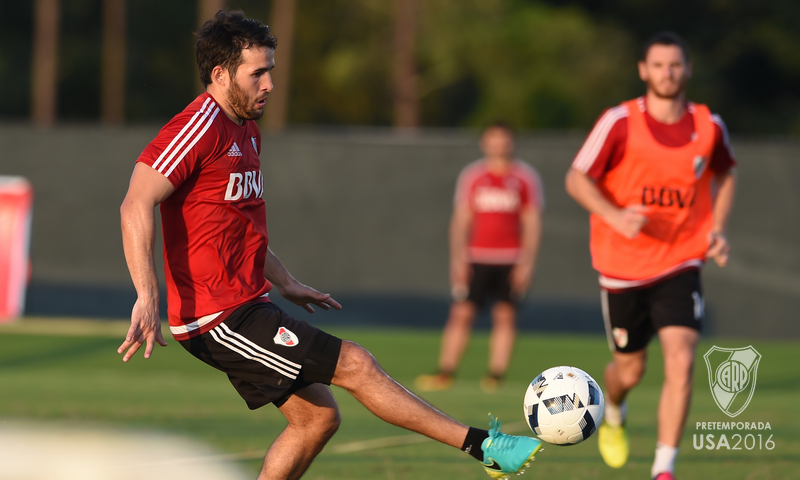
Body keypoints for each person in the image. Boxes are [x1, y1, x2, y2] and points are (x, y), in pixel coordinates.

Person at [118, 10, 543, 480]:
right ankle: (485, 447)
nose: (269, 84)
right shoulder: (198, 126)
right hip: (217, 316)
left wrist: (285, 281)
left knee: (317, 419)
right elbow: (135, 203)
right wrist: (146, 295)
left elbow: (236, 230)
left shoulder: (246, 130)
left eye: (270, 71)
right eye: (257, 73)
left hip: (247, 303)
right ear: (219, 75)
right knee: (356, 364)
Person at [565, 32, 736, 480]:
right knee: (630, 371)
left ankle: (664, 468)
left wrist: (717, 229)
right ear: (643, 70)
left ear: (688, 69)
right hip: (622, 267)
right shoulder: (619, 121)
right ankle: (614, 409)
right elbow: (577, 178)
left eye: (675, 64)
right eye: (658, 65)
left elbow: (725, 173)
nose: (667, 73)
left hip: (681, 259)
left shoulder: (709, 126)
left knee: (681, 357)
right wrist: (615, 215)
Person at [416, 125, 543, 393]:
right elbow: (461, 218)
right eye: (493, 140)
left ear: (512, 143)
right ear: (484, 143)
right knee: (461, 313)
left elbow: (532, 221)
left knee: (505, 315)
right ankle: (446, 371)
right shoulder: (473, 176)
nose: (499, 145)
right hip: (476, 257)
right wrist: (457, 259)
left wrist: (527, 263)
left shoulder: (524, 177)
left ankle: (495, 375)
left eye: (504, 140)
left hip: (511, 258)